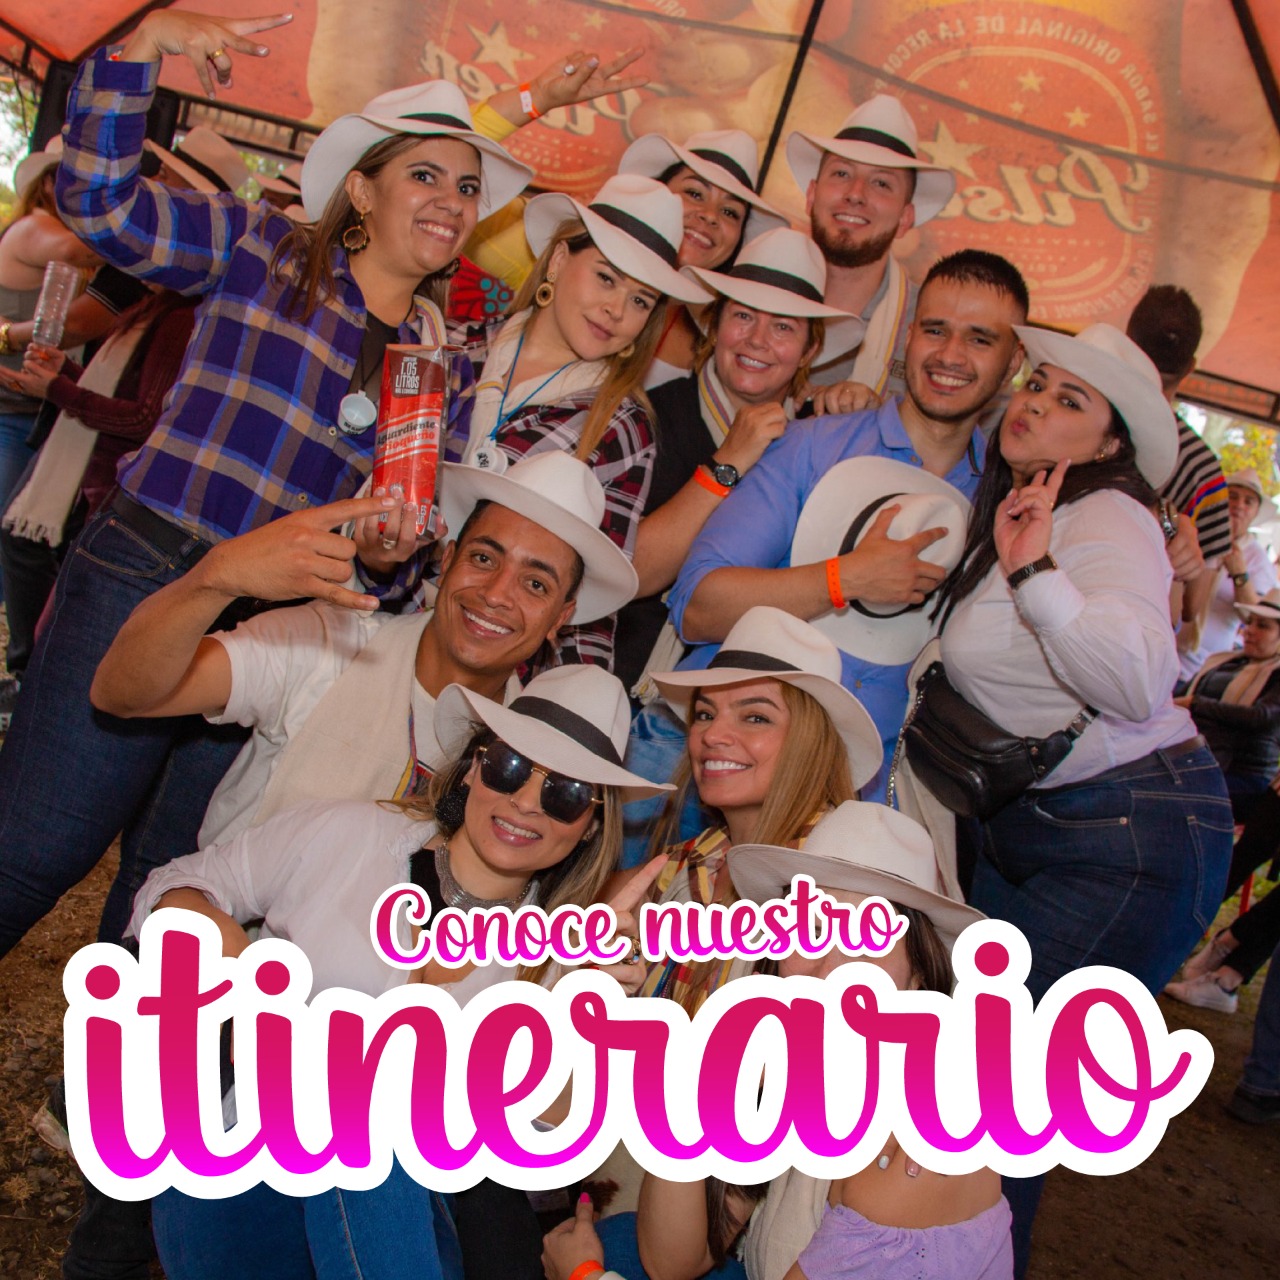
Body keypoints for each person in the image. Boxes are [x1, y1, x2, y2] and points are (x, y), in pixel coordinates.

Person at [0, 9, 630, 959]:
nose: (453, 201)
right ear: (362, 189)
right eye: (425, 176)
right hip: (152, 569)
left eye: (467, 187)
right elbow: (102, 207)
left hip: (284, 624)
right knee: (36, 848)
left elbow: (391, 529)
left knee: (180, 870)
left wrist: (384, 550)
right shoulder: (262, 248)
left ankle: (117, 1056)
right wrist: (140, 51)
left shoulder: (438, 357)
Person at [128, 664, 673, 1280]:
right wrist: (217, 939)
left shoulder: (560, 962)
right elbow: (175, 883)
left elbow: (538, 1139)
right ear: (472, 769)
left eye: (566, 793)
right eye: (510, 766)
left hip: (400, 1224)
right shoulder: (348, 835)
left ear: (589, 827)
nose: (525, 801)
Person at [930, 322, 1233, 1276]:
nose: (1034, 403)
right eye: (1037, 383)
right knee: (981, 1095)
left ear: (1110, 442)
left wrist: (1034, 573)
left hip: (1129, 840)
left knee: (991, 1106)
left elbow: (1141, 678)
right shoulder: (1032, 502)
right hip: (1044, 827)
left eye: (1071, 400)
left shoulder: (1107, 518)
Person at [92, 451, 637, 856]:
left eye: (536, 584)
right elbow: (122, 694)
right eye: (483, 558)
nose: (496, 594)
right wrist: (215, 578)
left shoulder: (533, 758)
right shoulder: (327, 644)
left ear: (560, 618)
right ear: (446, 561)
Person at [568, 802, 1003, 1280]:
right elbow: (673, 1261)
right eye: (811, 931)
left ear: (918, 975)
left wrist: (584, 1275)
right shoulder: (792, 1076)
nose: (826, 968)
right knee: (623, 1241)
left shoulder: (916, 1150)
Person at [669, 250, 1028, 799]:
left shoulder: (1001, 506)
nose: (950, 355)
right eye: (935, 330)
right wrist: (847, 578)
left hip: (855, 793)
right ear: (909, 335)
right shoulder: (813, 445)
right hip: (714, 763)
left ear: (1013, 359)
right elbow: (697, 607)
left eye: (980, 339)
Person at [447, 173, 709, 668]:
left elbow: (590, 599)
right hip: (375, 616)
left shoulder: (622, 427)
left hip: (493, 661)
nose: (616, 309)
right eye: (606, 278)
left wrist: (562, 700)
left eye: (640, 300)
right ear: (559, 260)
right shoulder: (453, 346)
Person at [617, 226, 862, 695]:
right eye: (743, 316)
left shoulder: (819, 439)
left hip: (752, 689)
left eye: (784, 327)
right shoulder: (647, 415)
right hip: (625, 677)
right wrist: (726, 464)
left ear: (810, 350)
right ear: (714, 325)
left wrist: (859, 416)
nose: (757, 340)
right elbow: (631, 573)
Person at [625, 607, 883, 1014]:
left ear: (811, 742)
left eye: (756, 717)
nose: (712, 734)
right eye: (705, 714)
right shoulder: (677, 867)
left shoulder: (845, 883)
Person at [784, 95, 956, 400]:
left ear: (905, 219)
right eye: (841, 173)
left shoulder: (934, 328)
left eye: (881, 183)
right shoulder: (750, 291)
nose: (855, 194)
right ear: (811, 195)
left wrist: (880, 418)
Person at [615, 129, 788, 387]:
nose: (710, 215)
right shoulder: (593, 270)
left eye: (729, 212)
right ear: (658, 190)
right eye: (695, 194)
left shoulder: (729, 339)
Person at [0, 138, 101, 525]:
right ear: (46, 184)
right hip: (11, 412)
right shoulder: (35, 227)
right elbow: (74, 252)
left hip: (32, 410)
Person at [1177, 588, 1280, 819]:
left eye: (1263, 626)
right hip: (1199, 756)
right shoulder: (1224, 661)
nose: (1249, 630)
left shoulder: (1275, 674)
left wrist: (1196, 704)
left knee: (1174, 791)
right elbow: (1182, 698)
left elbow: (1260, 717)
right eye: (1250, 622)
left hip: (1241, 771)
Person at [1177, 467, 1279, 685]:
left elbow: (1256, 616)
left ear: (1255, 512)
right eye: (1233, 496)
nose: (1239, 505)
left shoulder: (1257, 559)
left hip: (1205, 666)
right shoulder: (1197, 536)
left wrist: (1239, 574)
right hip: (1170, 650)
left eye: (1248, 501)